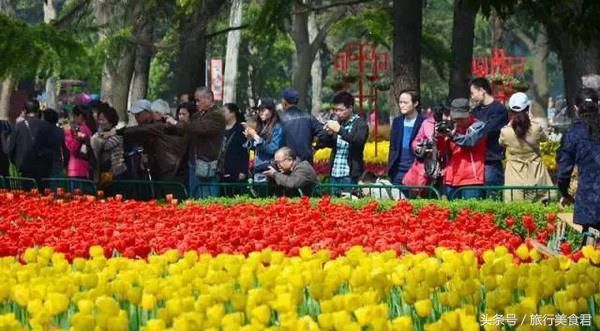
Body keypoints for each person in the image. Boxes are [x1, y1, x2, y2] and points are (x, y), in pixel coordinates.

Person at [557, 88, 600, 245]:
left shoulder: (574, 132)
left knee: (589, 254)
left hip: (589, 198)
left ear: (576, 108)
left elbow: (563, 172)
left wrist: (565, 193)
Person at [171, 87, 225, 198]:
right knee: (194, 200)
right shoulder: (197, 115)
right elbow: (187, 129)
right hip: (194, 163)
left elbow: (200, 128)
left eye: (198, 100)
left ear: (208, 99)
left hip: (208, 164)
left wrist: (178, 123)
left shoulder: (217, 115)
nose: (196, 103)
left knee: (208, 201)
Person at [499, 93, 553, 201]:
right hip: (536, 174)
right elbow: (546, 140)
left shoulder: (505, 131)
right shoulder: (536, 128)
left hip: (514, 177)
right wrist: (532, 120)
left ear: (510, 111)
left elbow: (501, 143)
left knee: (516, 211)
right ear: (528, 108)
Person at [317, 91, 369, 195]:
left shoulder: (360, 124)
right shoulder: (337, 123)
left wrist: (340, 130)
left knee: (349, 207)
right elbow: (325, 144)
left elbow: (358, 142)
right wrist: (327, 134)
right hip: (334, 174)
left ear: (350, 108)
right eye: (335, 110)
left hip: (350, 176)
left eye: (341, 110)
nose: (337, 113)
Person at [437, 98, 487, 200]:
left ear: (469, 113)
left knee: (471, 214)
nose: (459, 121)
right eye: (456, 119)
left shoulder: (479, 126)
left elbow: (469, 141)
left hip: (471, 179)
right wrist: (438, 137)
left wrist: (453, 135)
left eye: (461, 118)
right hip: (451, 178)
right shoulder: (451, 127)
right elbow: (442, 151)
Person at [1, 100, 54, 185]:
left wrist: (15, 161)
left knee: (26, 195)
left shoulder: (18, 127)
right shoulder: (47, 126)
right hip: (43, 168)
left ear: (25, 111)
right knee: (44, 195)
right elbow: (52, 146)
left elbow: (9, 149)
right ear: (38, 110)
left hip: (24, 168)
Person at [469, 77, 509, 189]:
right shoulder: (475, 111)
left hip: (491, 160)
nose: (472, 97)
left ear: (482, 90)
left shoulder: (499, 110)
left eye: (473, 93)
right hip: (476, 161)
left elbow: (487, 131)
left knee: (492, 197)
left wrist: (474, 132)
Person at [388, 89, 425, 185]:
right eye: (400, 102)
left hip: (415, 169)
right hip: (398, 170)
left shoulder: (423, 122)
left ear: (415, 103)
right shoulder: (397, 121)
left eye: (405, 102)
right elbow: (393, 147)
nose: (402, 105)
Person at [279, 88, 325, 163]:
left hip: (286, 163)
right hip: (306, 162)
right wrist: (317, 146)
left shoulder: (280, 120)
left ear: (284, 102)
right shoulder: (309, 117)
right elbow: (323, 133)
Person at [243, 98, 284, 183]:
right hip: (256, 168)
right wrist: (250, 139)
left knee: (266, 194)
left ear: (272, 110)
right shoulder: (260, 126)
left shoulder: (278, 127)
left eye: (263, 109)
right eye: (259, 110)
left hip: (268, 169)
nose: (260, 112)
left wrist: (255, 136)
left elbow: (273, 149)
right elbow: (251, 150)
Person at [90, 106, 127, 185]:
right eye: (99, 119)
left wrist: (96, 139)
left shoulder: (117, 135)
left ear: (111, 121)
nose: (101, 122)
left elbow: (106, 146)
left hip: (116, 174)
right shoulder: (99, 135)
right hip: (103, 174)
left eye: (103, 120)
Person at [219, 103, 249, 193]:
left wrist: (243, 170)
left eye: (224, 112)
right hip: (222, 168)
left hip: (236, 169)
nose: (222, 114)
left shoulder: (241, 129)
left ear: (232, 113)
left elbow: (245, 150)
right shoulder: (221, 128)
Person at [65, 105, 96, 179]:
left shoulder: (82, 130)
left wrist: (74, 139)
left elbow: (73, 150)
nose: (73, 119)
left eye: (74, 116)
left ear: (80, 116)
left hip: (77, 168)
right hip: (84, 168)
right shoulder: (89, 128)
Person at [43, 109, 67, 179]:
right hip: (57, 162)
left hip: (44, 162)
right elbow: (64, 148)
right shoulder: (60, 131)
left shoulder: (42, 130)